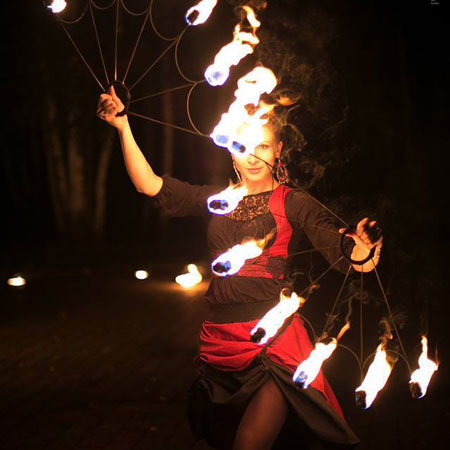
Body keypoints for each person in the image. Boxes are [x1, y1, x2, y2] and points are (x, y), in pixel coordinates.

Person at [97, 86, 383, 450]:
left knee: (248, 445)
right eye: (244, 146)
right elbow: (150, 186)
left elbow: (347, 253)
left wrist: (364, 249)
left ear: (278, 150)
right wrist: (123, 127)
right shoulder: (220, 200)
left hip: (274, 347)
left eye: (262, 146)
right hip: (221, 341)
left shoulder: (292, 201)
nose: (252, 157)